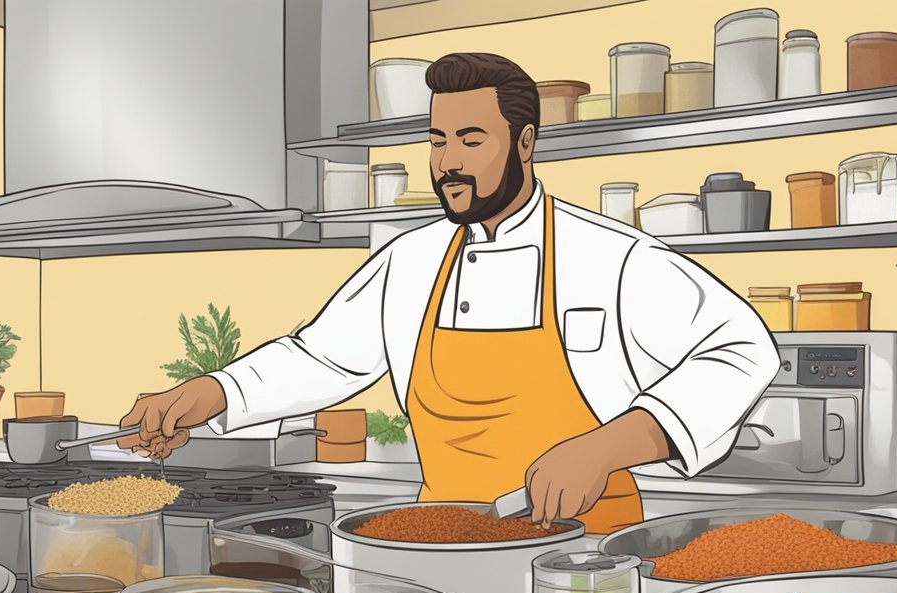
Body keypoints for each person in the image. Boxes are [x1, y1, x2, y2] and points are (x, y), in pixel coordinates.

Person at [120, 52, 779, 534]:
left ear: (525, 143)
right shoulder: (411, 260)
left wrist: (606, 448)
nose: (447, 163)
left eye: (470, 139)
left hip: (587, 555)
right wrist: (205, 395)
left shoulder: (611, 257)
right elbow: (320, 356)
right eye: (437, 141)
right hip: (442, 542)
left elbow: (744, 349)